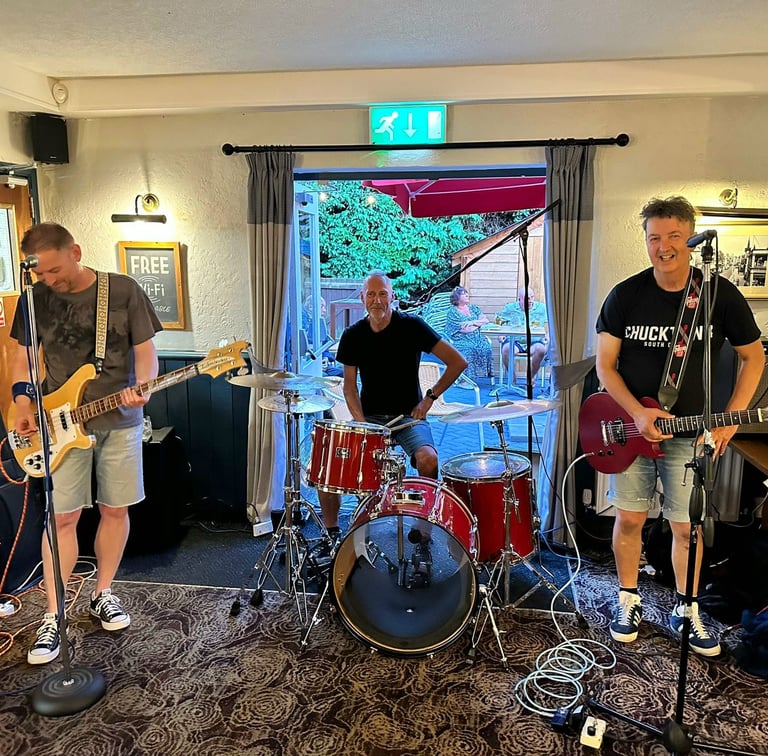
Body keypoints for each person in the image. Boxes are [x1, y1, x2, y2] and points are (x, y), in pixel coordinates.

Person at [595, 196, 763, 657]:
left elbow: (754, 358)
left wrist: (730, 418)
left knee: (688, 527)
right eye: (654, 237)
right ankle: (628, 599)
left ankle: (686, 607)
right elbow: (605, 367)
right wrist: (636, 412)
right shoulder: (625, 295)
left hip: (690, 434)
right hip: (632, 430)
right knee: (629, 518)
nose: (663, 247)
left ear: (691, 238)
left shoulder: (717, 294)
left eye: (673, 236)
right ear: (645, 240)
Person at [10, 222, 162, 665]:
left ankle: (103, 593)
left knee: (116, 509)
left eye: (56, 270)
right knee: (62, 517)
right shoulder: (34, 298)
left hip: (119, 418)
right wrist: (22, 399)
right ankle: (53, 615)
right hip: (57, 421)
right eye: (41, 274)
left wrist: (147, 385)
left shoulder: (123, 290)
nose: (50, 281)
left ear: (75, 251)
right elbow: (22, 356)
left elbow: (146, 350)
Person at [316, 270, 467, 543]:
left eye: (382, 294)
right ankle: (332, 533)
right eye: (371, 294)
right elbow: (349, 387)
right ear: (362, 298)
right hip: (371, 418)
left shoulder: (412, 326)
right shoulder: (353, 335)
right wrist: (360, 422)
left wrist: (429, 399)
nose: (377, 300)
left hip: (409, 417)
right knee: (329, 463)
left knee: (428, 459)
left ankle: (424, 530)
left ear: (392, 296)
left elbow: (457, 362)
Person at [497, 286, 549, 383]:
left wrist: (548, 335)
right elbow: (500, 321)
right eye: (527, 298)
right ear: (519, 299)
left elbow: (552, 323)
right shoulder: (510, 308)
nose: (530, 301)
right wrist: (501, 333)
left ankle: (531, 378)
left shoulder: (542, 308)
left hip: (534, 341)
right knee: (506, 349)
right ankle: (512, 377)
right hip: (515, 340)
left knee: (541, 349)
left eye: (532, 297)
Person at [444, 286, 493, 379]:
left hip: (477, 339)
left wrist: (471, 323)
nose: (467, 295)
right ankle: (464, 380)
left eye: (467, 293)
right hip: (460, 340)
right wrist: (478, 323)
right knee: (469, 349)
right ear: (457, 298)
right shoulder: (453, 312)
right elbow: (466, 330)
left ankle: (480, 376)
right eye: (463, 294)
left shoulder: (473, 308)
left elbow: (485, 320)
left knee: (486, 347)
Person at [302, 294, 342, 377]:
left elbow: (325, 346)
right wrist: (318, 363)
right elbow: (305, 348)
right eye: (322, 307)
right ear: (311, 307)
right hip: (307, 365)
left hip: (321, 362)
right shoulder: (301, 322)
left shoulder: (320, 322)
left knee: (343, 373)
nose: (325, 310)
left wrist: (325, 359)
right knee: (324, 377)